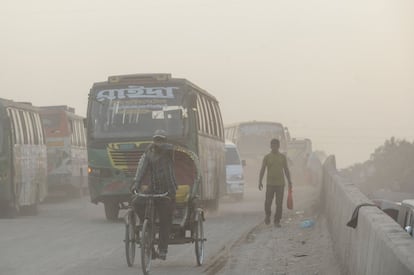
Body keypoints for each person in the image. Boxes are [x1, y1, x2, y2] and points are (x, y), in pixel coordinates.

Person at [131, 129, 177, 260]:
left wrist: (161, 147)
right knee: (136, 202)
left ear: (165, 141)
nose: (158, 143)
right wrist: (136, 184)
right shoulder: (149, 154)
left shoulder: (169, 152)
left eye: (161, 140)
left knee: (165, 220)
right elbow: (142, 171)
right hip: (153, 189)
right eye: (156, 140)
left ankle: (163, 249)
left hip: (167, 190)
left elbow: (169, 148)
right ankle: (148, 224)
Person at [258, 138, 293, 227]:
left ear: (278, 146)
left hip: (280, 184)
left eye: (276, 145)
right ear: (270, 146)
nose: (274, 147)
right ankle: (268, 215)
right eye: (272, 145)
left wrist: (289, 181)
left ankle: (277, 221)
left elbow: (286, 170)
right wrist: (260, 181)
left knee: (279, 203)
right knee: (268, 202)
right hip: (270, 184)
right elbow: (262, 169)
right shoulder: (267, 157)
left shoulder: (282, 157)